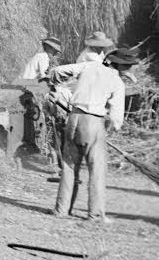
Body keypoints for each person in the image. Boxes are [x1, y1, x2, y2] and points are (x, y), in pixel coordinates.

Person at [51, 47, 135, 223]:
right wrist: (109, 129)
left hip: (73, 118)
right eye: (127, 66)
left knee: (69, 165)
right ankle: (95, 215)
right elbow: (116, 118)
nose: (129, 69)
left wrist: (55, 85)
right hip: (93, 122)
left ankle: (61, 210)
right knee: (96, 169)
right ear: (120, 65)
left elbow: (58, 71)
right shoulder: (117, 82)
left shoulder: (89, 66)